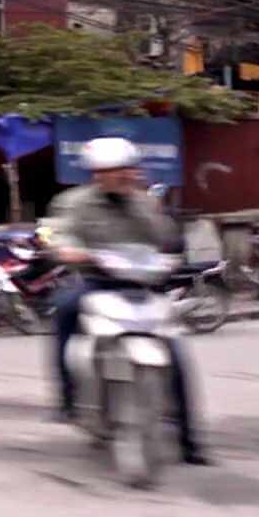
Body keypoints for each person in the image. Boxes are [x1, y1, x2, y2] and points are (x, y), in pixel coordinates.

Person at [46, 136, 209, 465]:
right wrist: (65, 248)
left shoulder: (145, 202)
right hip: (96, 282)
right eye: (114, 170)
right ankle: (67, 397)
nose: (123, 175)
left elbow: (166, 239)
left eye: (127, 169)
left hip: (141, 285)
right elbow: (56, 232)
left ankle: (190, 440)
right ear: (97, 173)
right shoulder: (73, 203)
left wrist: (156, 217)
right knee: (63, 310)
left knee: (176, 353)